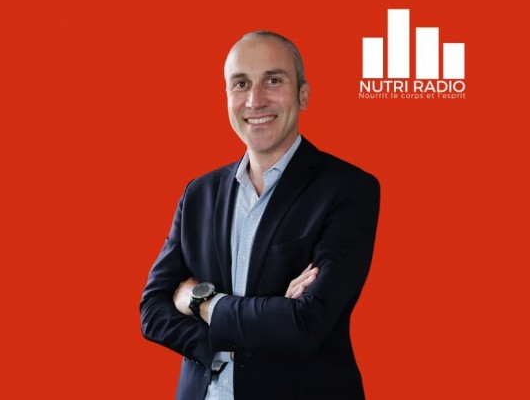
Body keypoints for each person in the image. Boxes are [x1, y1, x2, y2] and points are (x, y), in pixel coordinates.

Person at [140, 30, 381, 400]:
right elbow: (153, 311)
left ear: (303, 95)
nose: (255, 100)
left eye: (273, 80)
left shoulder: (348, 189)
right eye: (241, 84)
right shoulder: (199, 193)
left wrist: (202, 303)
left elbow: (306, 323)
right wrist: (234, 339)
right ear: (227, 97)